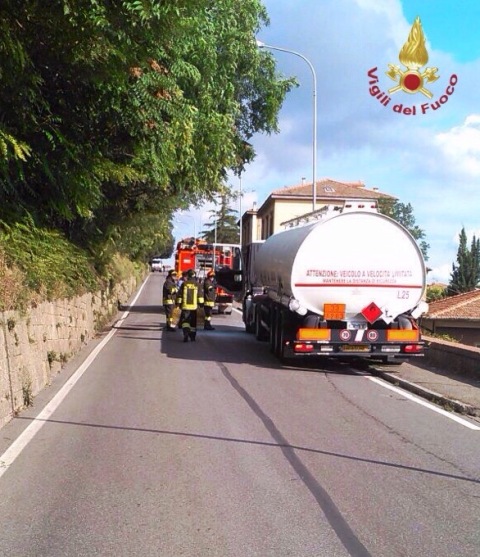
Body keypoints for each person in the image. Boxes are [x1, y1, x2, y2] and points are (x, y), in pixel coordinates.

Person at [176, 269, 204, 342]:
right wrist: (201, 305)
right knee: (193, 323)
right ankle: (192, 337)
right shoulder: (197, 284)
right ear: (194, 276)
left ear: (188, 275)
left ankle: (185, 333)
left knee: (185, 321)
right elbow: (200, 296)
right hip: (194, 308)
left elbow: (179, 295)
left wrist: (178, 304)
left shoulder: (184, 284)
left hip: (185, 307)